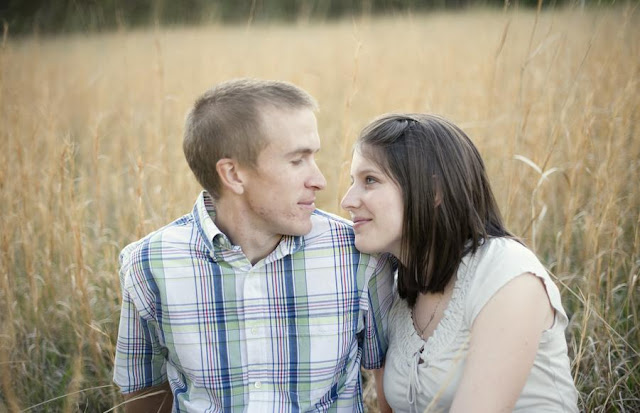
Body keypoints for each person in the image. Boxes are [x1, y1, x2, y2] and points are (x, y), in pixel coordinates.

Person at [113, 78, 395, 412]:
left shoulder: (358, 257)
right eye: (297, 160)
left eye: (313, 157)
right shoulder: (149, 266)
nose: (319, 179)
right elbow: (146, 395)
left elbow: (387, 386)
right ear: (233, 174)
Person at [341, 113, 579, 412]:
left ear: (433, 192)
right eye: (353, 181)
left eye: (370, 180)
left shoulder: (507, 274)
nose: (347, 200)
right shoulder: (394, 287)